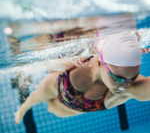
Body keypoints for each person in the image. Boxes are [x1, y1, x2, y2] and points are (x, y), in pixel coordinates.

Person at [15, 31, 150, 124]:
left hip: (69, 108)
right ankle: (22, 109)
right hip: (58, 83)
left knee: (52, 109)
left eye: (132, 78)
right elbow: (55, 60)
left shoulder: (129, 89)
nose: (124, 85)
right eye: (118, 78)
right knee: (36, 97)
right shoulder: (83, 59)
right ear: (101, 62)